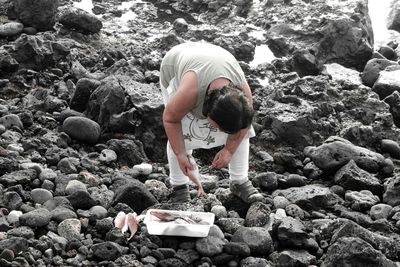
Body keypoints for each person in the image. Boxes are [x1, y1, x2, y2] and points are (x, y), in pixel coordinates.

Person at [160, 41, 264, 203]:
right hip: (176, 64)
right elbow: (171, 119)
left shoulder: (243, 96)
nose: (220, 132)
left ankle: (239, 181)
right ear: (207, 109)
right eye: (217, 127)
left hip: (215, 60)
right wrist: (181, 154)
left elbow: (244, 127)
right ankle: (179, 186)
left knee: (240, 129)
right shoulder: (190, 91)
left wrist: (229, 150)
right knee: (183, 133)